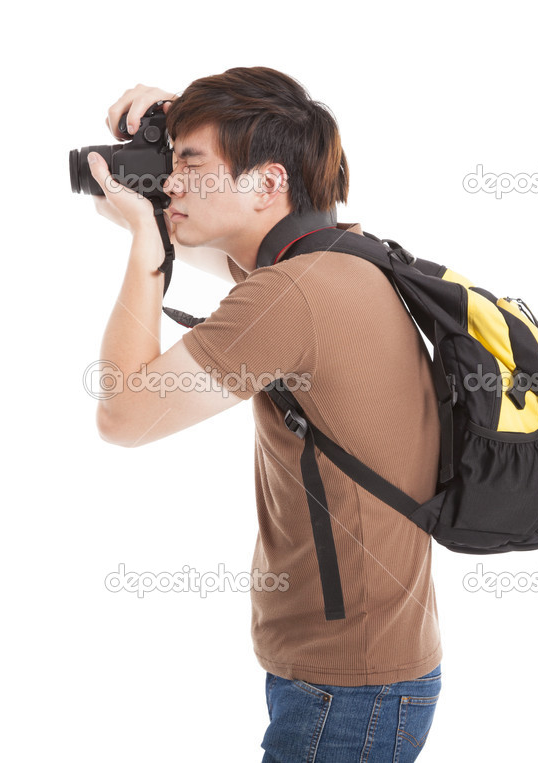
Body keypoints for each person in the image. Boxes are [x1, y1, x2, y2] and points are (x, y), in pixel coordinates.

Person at [89, 67, 442, 762]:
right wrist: (177, 112)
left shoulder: (297, 293)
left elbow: (124, 415)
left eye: (189, 164)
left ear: (269, 182)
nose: (169, 184)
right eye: (170, 163)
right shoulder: (338, 259)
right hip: (356, 674)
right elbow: (242, 250)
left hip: (347, 690)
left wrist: (144, 245)